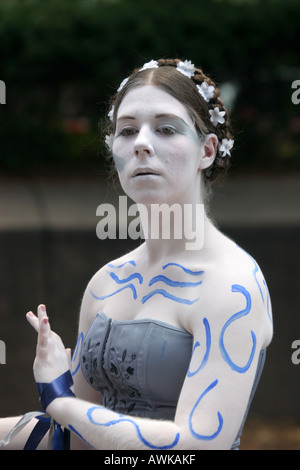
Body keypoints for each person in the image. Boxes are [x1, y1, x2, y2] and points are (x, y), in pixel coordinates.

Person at [0, 58, 273, 450]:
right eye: (127, 130)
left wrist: (60, 401)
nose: (142, 142)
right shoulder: (105, 283)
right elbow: (73, 440)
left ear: (207, 150)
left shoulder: (232, 285)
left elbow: (196, 446)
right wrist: (60, 408)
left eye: (166, 128)